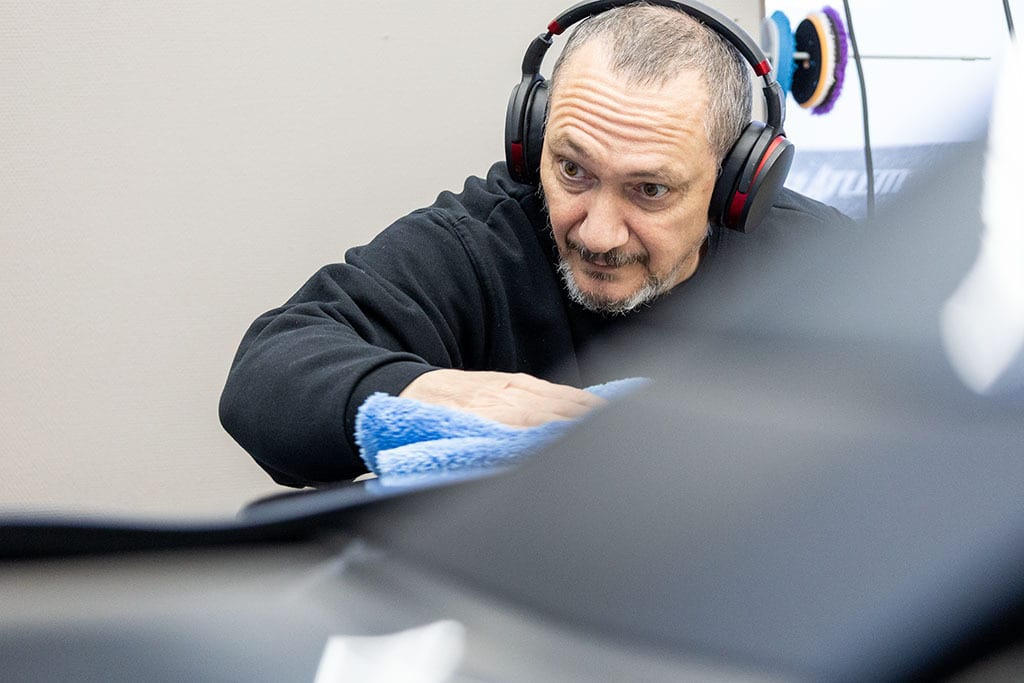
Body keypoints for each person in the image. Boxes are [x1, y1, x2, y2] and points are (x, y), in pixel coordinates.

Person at [219, 2, 852, 487]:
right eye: (573, 170)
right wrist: (445, 396)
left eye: (650, 189)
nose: (598, 233)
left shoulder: (828, 267)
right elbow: (266, 375)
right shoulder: (480, 245)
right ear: (533, 141)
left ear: (735, 183)